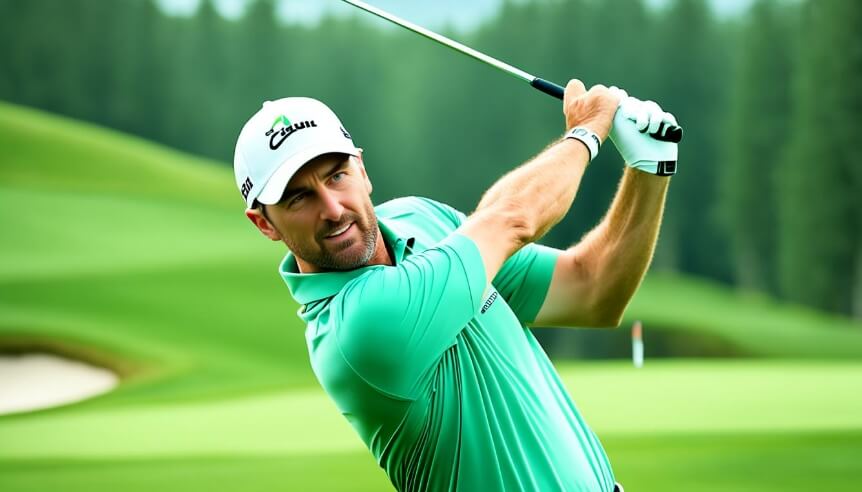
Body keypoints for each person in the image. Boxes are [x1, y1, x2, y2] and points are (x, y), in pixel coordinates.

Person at [233, 79, 679, 492]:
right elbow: (511, 219)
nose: (332, 208)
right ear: (264, 224)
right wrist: (586, 132)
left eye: (336, 175)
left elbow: (592, 290)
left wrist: (650, 168)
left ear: (362, 169)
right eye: (299, 197)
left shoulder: (419, 218)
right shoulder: (358, 326)